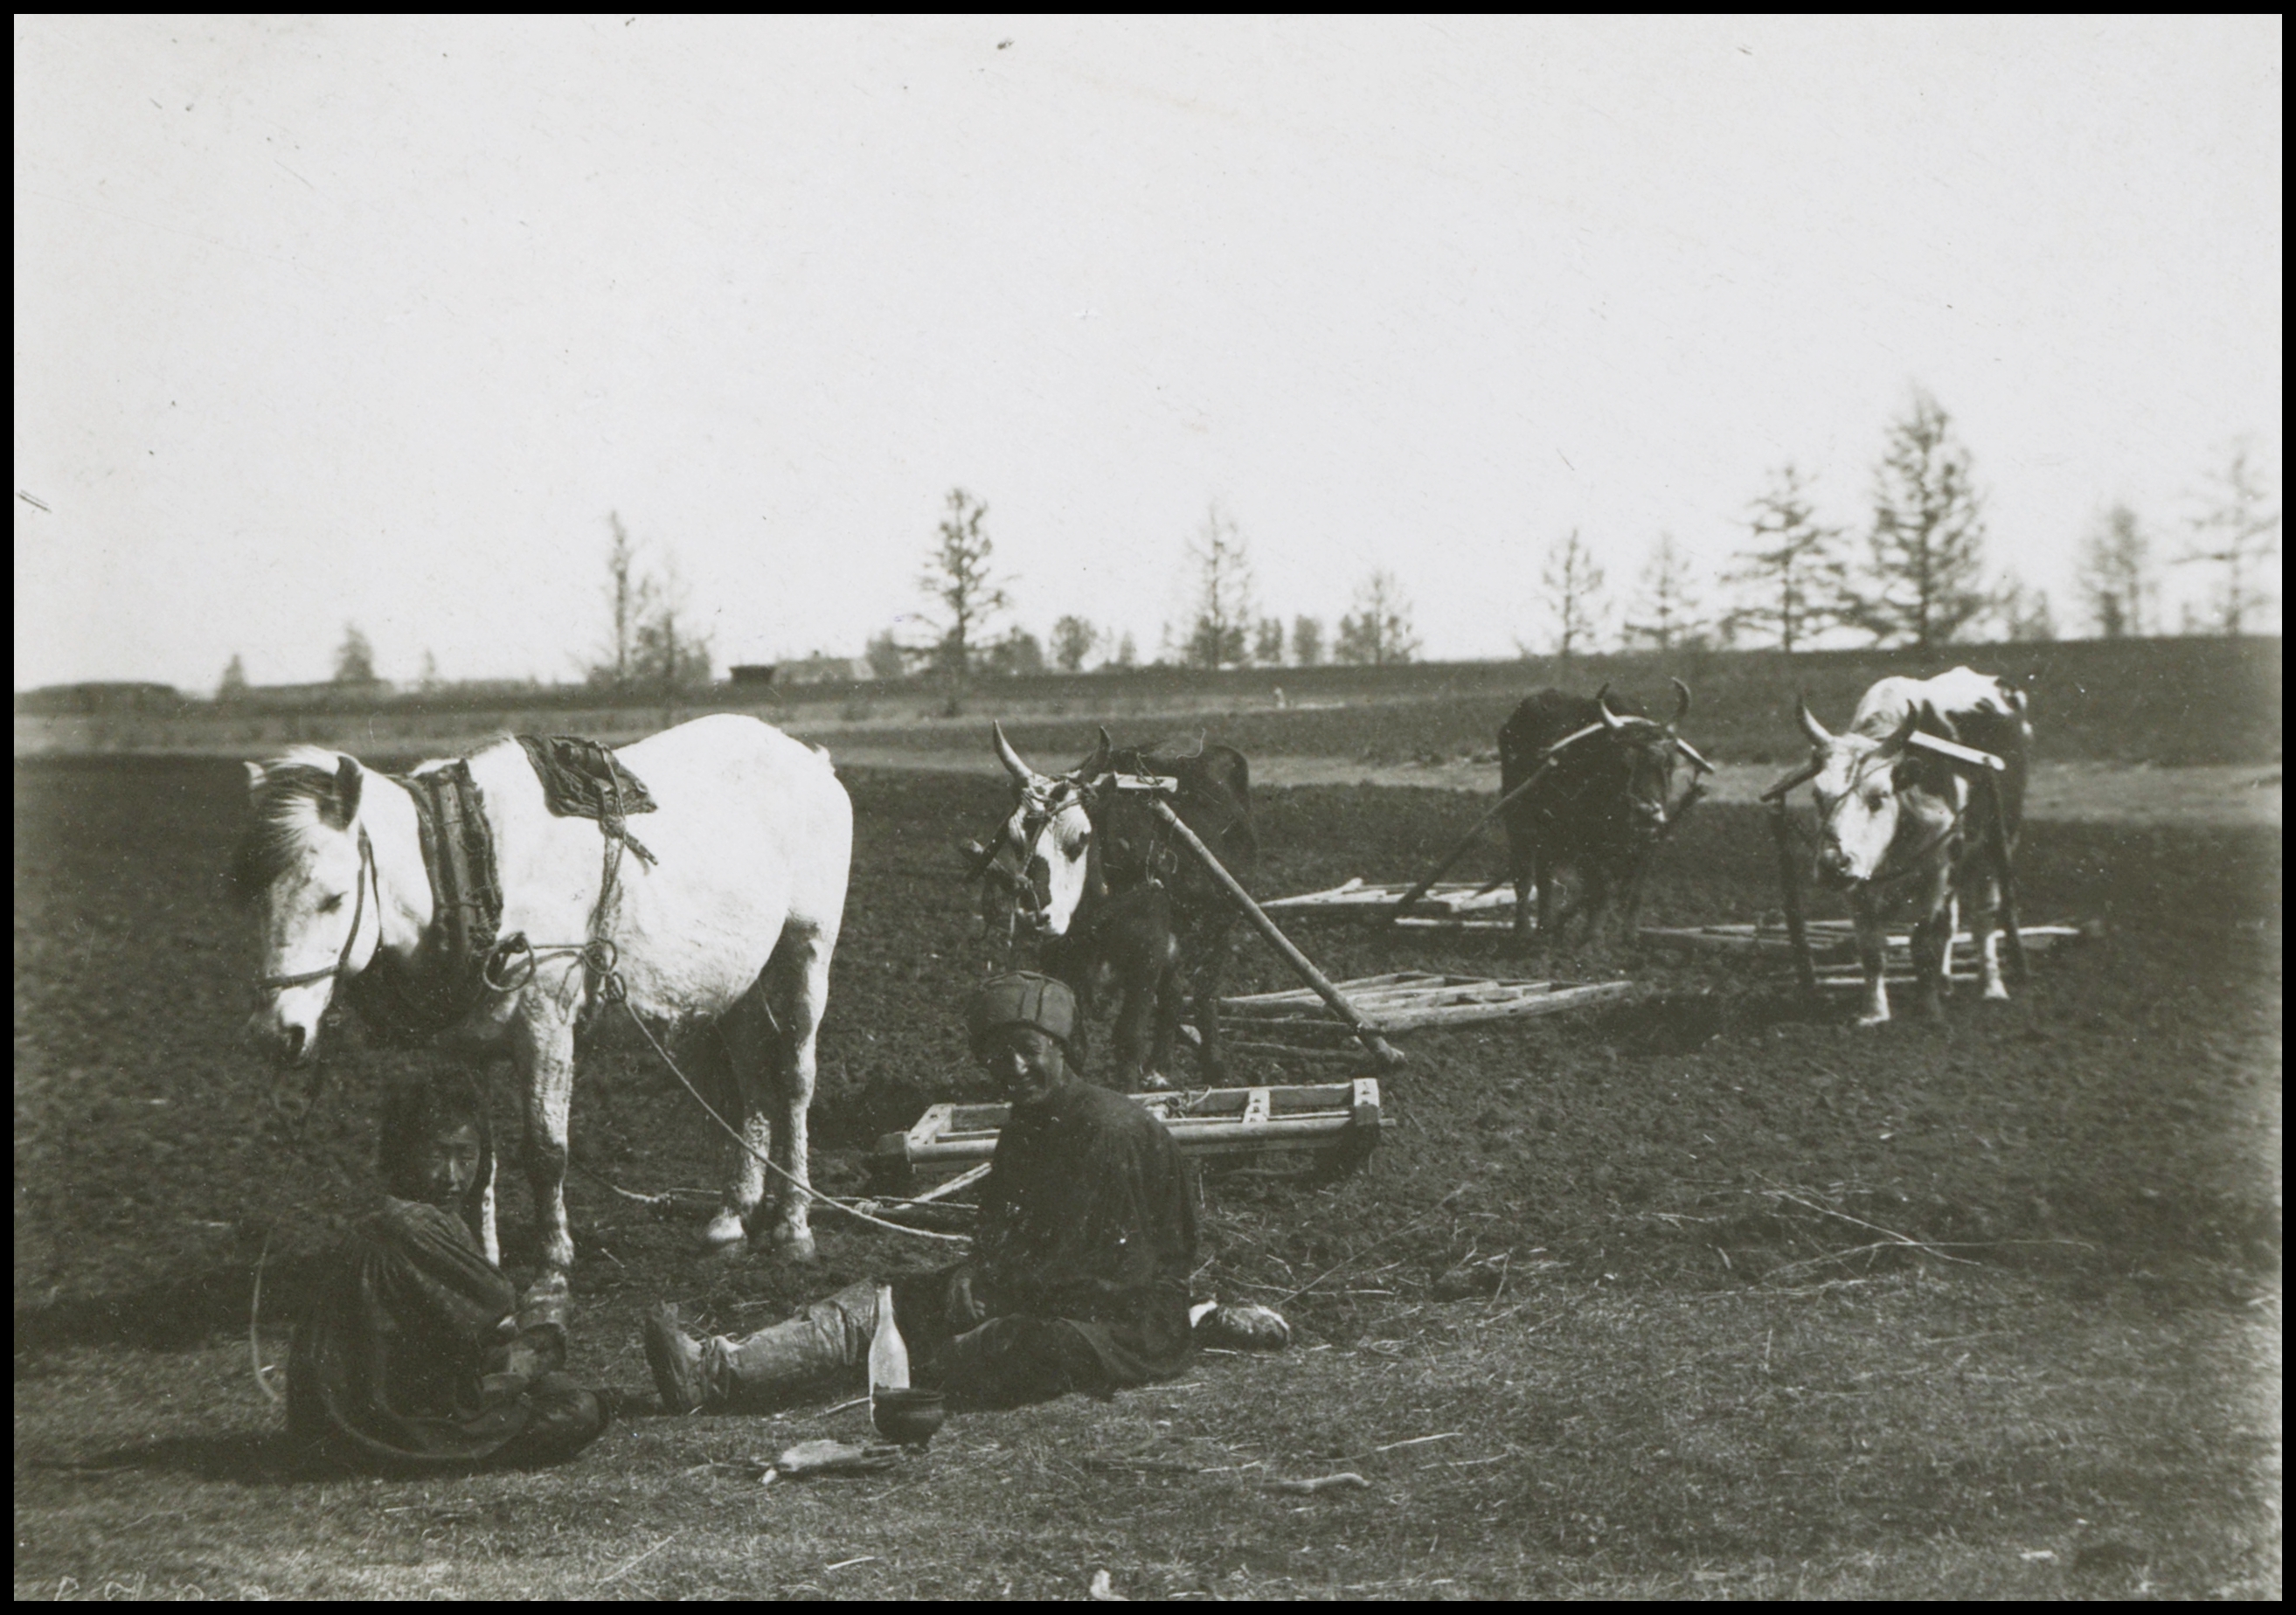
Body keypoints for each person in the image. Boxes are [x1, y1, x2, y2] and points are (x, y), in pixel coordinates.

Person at [644, 971, 1199, 1413]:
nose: (1015, 1068)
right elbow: (998, 1228)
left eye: (1030, 1049)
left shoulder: (1109, 1131)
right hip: (1038, 1291)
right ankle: (715, 1372)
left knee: (1000, 1348)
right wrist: (973, 1275)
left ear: (1062, 1049)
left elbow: (1108, 1268)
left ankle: (929, 1362)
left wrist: (995, 1292)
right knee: (883, 1302)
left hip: (1118, 1323)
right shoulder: (1025, 1125)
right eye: (998, 1056)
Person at [286, 1068, 608, 1471]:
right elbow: (497, 1298)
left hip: (341, 1418)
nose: (452, 1177)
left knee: (547, 1383)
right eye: (437, 1155)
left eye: (466, 1156)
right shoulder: (412, 1225)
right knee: (577, 1409)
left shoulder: (407, 1214)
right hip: (371, 1427)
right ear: (404, 1151)